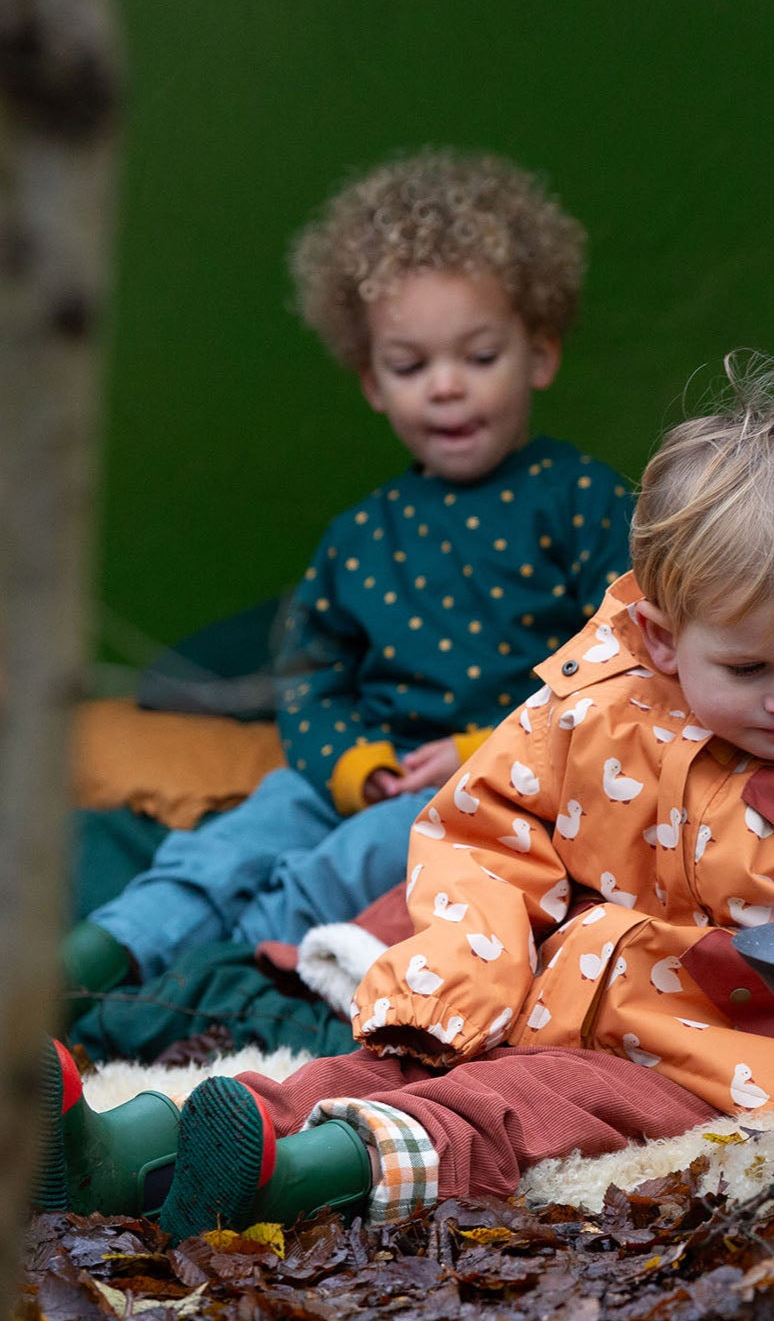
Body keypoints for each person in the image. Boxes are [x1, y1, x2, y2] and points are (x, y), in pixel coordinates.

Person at [39, 355, 774, 1237]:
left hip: (713, 1058)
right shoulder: (594, 715)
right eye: (746, 664)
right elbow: (480, 831)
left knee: (522, 1098)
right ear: (657, 637)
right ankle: (140, 1148)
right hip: (551, 993)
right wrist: (463, 980)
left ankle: (310, 1176)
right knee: (404, 1061)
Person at [61, 148, 633, 1006]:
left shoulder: (582, 502)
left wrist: (487, 753)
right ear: (371, 381)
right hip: (368, 766)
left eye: (478, 356)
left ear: (539, 354)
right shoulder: (360, 536)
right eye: (410, 367)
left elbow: (622, 664)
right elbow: (312, 681)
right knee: (246, 828)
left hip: (498, 786)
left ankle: (200, 987)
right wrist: (349, 764)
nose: (445, 388)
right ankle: (95, 960)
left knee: (370, 849)